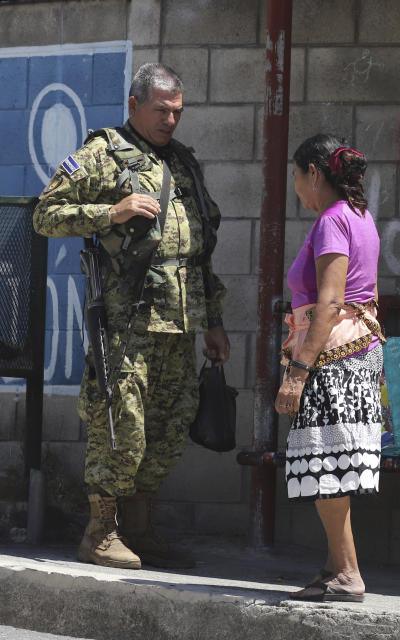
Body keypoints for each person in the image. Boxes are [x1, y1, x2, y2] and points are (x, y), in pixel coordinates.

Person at [33, 63, 230, 570]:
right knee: (121, 427)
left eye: (177, 112)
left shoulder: (183, 162)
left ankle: (139, 527)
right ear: (134, 105)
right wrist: (110, 213)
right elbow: (45, 213)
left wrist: (213, 320)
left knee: (169, 426)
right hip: (127, 323)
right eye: (161, 110)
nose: (170, 121)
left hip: (179, 323)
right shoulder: (103, 153)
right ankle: (99, 532)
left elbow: (198, 251)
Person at [274, 134, 383, 602]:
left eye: (298, 177)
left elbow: (331, 301)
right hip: (355, 354)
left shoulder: (333, 221)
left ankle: (349, 573)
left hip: (333, 358)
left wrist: (298, 372)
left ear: (314, 174)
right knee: (332, 467)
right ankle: (335, 567)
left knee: (326, 467)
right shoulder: (360, 216)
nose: (297, 187)